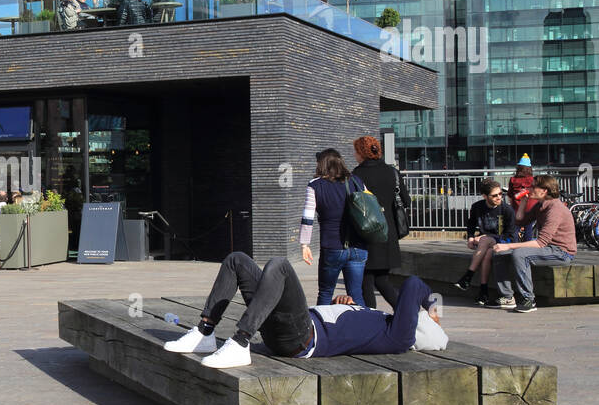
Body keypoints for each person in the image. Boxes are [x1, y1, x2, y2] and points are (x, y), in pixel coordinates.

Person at [164, 251, 445, 368]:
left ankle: (240, 341)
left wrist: (431, 307)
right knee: (237, 260)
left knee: (280, 266)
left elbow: (413, 285)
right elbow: (342, 325)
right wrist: (341, 305)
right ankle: (205, 332)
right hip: (291, 326)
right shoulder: (380, 322)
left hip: (301, 338)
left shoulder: (399, 337)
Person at [492, 175, 576, 313]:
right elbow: (520, 222)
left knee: (520, 254)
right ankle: (507, 297)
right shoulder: (540, 205)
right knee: (499, 253)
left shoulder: (555, 209)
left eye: (533, 186)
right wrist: (523, 203)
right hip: (548, 249)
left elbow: (541, 242)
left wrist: (508, 246)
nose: (529, 188)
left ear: (544, 190)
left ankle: (528, 299)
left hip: (562, 252)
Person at [300, 148, 370, 306]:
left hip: (332, 246)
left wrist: (305, 244)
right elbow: (370, 206)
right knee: (356, 294)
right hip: (358, 246)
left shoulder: (315, 186)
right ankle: (364, 327)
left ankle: (323, 328)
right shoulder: (356, 181)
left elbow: (307, 217)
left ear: (321, 164)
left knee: (325, 292)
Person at [350, 135, 410, 309]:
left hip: (366, 233)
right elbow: (406, 200)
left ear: (361, 152)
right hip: (388, 233)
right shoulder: (392, 172)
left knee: (366, 282)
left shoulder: (356, 175)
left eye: (355, 151)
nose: (354, 154)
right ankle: (405, 313)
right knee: (382, 280)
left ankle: (373, 319)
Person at [456, 177, 514, 305]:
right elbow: (471, 224)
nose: (499, 197)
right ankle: (483, 292)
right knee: (487, 253)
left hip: (504, 241)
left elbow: (510, 234)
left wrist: (487, 238)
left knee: (485, 240)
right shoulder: (477, 207)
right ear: (485, 196)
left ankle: (468, 276)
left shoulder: (507, 210)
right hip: (486, 244)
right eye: (494, 196)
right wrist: (471, 237)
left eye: (500, 194)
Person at [508, 154, 538, 241]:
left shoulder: (513, 180)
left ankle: (515, 246)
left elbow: (510, 194)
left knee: (515, 228)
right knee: (528, 228)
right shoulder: (533, 180)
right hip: (530, 207)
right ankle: (527, 247)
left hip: (516, 208)